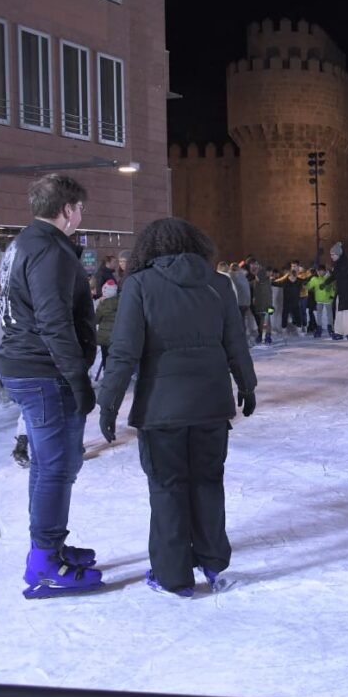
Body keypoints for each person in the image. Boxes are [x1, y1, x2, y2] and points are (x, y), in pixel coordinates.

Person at [97, 217, 257, 598]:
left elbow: (123, 351)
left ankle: (173, 576)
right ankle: (214, 563)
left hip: (161, 410)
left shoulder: (139, 285)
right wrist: (247, 386)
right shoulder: (219, 284)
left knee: (167, 489)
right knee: (207, 483)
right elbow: (237, 342)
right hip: (211, 406)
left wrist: (108, 404)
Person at [0, 174, 101, 598]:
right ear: (67, 209)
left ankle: (49, 546)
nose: (81, 216)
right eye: (80, 209)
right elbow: (53, 320)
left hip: (31, 368)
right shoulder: (48, 250)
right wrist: (78, 378)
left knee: (47, 465)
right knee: (57, 467)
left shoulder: (25, 242)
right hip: (44, 372)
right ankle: (44, 563)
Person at [330, 242, 348, 341]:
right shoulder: (337, 264)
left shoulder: (346, 263)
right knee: (339, 312)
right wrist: (325, 283)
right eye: (331, 255)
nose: (331, 257)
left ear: (338, 254)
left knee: (347, 313)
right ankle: (338, 332)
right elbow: (334, 275)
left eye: (333, 254)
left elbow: (342, 274)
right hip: (341, 292)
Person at [93, 279, 119, 381]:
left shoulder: (103, 304)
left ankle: (107, 375)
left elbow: (96, 319)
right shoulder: (121, 301)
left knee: (105, 357)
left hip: (105, 337)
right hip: (117, 335)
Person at [246, 256, 274, 345]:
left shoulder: (261, 281)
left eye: (255, 264)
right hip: (258, 303)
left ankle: (266, 335)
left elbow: (265, 294)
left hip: (263, 304)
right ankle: (264, 334)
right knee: (262, 319)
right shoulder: (255, 280)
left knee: (265, 319)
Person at [305, 264, 335, 338]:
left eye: (321, 271)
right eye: (318, 271)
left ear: (324, 271)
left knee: (329, 314)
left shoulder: (328, 278)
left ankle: (330, 328)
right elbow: (309, 286)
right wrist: (305, 285)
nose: (320, 273)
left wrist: (332, 295)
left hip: (328, 299)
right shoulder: (315, 279)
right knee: (319, 315)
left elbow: (333, 287)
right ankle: (319, 328)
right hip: (319, 299)